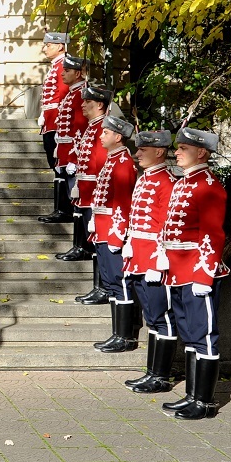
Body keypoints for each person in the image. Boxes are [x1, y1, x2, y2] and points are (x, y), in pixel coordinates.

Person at [158, 127, 229, 420]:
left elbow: (214, 234)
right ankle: (191, 395)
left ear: (201, 152)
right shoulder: (185, 182)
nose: (177, 152)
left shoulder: (209, 186)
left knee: (204, 336)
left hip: (197, 270)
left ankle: (205, 402)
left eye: (183, 148)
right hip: (177, 269)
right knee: (189, 334)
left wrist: (204, 274)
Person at [121, 130, 177, 393]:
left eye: (143, 150)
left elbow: (167, 224)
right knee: (152, 317)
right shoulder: (146, 179)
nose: (137, 153)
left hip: (156, 258)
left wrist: (159, 260)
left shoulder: (167, 181)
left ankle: (161, 376)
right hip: (140, 255)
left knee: (161, 317)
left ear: (159, 152)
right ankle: (151, 372)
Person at [88, 115, 139, 353]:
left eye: (106, 133)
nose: (101, 135)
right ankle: (117, 333)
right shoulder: (112, 160)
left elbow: (122, 203)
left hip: (112, 232)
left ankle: (125, 336)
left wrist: (118, 236)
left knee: (121, 285)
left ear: (118, 137)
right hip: (103, 229)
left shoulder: (123, 163)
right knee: (111, 284)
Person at [70, 85, 111, 305]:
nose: (83, 105)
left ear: (100, 105)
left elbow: (103, 168)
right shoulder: (92, 127)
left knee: (99, 244)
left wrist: (97, 199)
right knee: (94, 243)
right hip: (86, 192)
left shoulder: (102, 128)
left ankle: (103, 287)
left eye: (88, 102)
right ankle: (98, 286)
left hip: (95, 194)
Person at [51, 56, 89, 261]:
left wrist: (75, 158)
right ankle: (79, 245)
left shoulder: (81, 94)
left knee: (79, 203)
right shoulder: (71, 94)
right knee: (75, 202)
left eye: (67, 70)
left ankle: (82, 246)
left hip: (74, 155)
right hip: (65, 153)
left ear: (78, 73)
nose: (63, 73)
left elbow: (81, 129)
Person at [36, 31, 70, 220]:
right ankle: (61, 208)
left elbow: (64, 95)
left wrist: (56, 120)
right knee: (55, 165)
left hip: (58, 122)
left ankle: (64, 209)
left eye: (48, 45)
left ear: (60, 46)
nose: (45, 48)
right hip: (50, 121)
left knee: (60, 165)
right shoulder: (56, 66)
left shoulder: (64, 65)